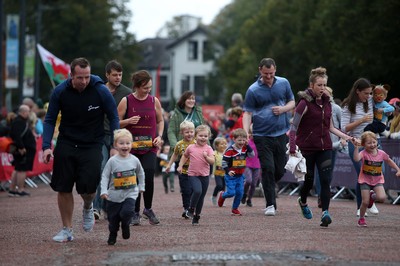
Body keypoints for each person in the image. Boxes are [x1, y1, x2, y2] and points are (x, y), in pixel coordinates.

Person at [42, 57, 119, 242]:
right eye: (80, 78)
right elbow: (50, 119)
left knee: (88, 188)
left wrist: (115, 145)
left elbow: (114, 117)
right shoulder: (60, 91)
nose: (84, 81)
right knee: (63, 187)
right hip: (67, 142)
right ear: (71, 76)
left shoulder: (101, 90)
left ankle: (87, 206)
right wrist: (46, 146)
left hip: (92, 144)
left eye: (87, 77)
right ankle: (67, 230)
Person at [288, 67, 357, 227]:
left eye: (324, 85)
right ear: (312, 85)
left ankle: (325, 212)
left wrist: (349, 138)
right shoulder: (303, 103)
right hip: (307, 148)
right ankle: (303, 201)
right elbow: (293, 128)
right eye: (319, 85)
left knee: (326, 180)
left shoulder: (328, 104)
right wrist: (292, 148)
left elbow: (332, 128)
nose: (322, 88)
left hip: (325, 147)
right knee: (309, 181)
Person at [243, 58, 295, 216]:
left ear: (275, 70)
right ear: (260, 70)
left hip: (281, 133)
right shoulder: (253, 90)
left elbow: (292, 102)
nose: (269, 77)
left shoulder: (283, 83)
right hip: (261, 135)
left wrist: (283, 109)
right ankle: (270, 204)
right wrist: (246, 132)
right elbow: (247, 113)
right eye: (266, 74)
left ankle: (267, 183)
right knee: (268, 168)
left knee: (280, 169)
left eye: (271, 73)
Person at [117, 70, 164, 225]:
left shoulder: (153, 101)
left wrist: (159, 136)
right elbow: (116, 122)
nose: (148, 90)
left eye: (149, 87)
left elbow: (160, 120)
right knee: (135, 178)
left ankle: (148, 209)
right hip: (132, 147)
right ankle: (135, 212)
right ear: (136, 86)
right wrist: (129, 121)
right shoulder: (127, 101)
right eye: (145, 88)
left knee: (149, 174)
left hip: (150, 146)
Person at [93, 60, 132, 220]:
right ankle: (96, 207)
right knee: (102, 169)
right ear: (107, 75)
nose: (118, 78)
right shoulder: (97, 90)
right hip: (100, 135)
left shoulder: (127, 93)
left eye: (120, 75)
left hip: (119, 137)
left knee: (116, 171)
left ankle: (111, 206)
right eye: (114, 75)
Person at [100, 129, 145, 245]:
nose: (125, 146)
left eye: (127, 143)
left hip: (130, 193)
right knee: (113, 219)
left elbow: (141, 173)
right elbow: (105, 176)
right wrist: (104, 190)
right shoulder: (112, 161)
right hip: (113, 196)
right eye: (121, 143)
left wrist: (141, 186)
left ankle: (125, 225)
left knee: (127, 212)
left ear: (132, 144)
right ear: (115, 145)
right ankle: (113, 233)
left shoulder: (135, 160)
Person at [341, 78, 378, 216]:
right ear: (357, 91)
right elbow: (344, 128)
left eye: (370, 93)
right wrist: (361, 120)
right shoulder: (348, 105)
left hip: (372, 142)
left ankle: (370, 201)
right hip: (356, 142)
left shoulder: (369, 101)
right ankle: (361, 206)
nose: (368, 96)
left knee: (379, 172)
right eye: (365, 93)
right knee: (362, 173)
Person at [353, 131, 400, 227]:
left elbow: (389, 161)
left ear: (377, 142)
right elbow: (356, 159)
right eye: (369, 143)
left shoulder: (381, 153)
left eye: (374, 142)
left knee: (382, 198)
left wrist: (398, 169)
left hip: (377, 180)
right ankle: (361, 219)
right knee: (365, 202)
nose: (372, 145)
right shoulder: (364, 153)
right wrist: (356, 148)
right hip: (365, 180)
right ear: (363, 144)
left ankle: (372, 197)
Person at [314, 87, 347, 208]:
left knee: (328, 172)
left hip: (333, 144)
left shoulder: (336, 108)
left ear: (331, 95)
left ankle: (324, 192)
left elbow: (341, 125)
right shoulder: (315, 106)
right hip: (319, 144)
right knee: (319, 172)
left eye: (326, 94)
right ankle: (320, 195)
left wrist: (343, 138)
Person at [177, 125, 214, 225]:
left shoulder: (209, 148)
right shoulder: (191, 147)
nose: (203, 138)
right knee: (197, 191)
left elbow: (212, 161)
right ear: (195, 136)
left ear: (208, 137)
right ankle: (191, 208)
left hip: (205, 176)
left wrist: (206, 157)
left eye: (205, 136)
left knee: (201, 197)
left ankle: (197, 216)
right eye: (200, 135)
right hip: (193, 174)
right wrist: (180, 165)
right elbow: (184, 156)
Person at [217, 128, 255, 216]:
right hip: (230, 176)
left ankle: (235, 208)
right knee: (231, 193)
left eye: (243, 140)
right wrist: (228, 171)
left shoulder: (245, 148)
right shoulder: (230, 150)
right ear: (234, 139)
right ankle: (222, 195)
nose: (241, 142)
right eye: (239, 140)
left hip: (240, 175)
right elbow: (224, 162)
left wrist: (248, 145)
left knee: (240, 193)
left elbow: (252, 155)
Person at [165, 120, 196, 218]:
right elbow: (175, 155)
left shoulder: (197, 143)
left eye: (191, 131)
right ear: (181, 133)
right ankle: (186, 208)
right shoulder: (179, 144)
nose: (189, 134)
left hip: (195, 172)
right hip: (183, 171)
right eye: (187, 132)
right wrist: (169, 165)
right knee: (185, 190)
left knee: (193, 190)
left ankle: (191, 207)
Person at [8, 104, 36, 197]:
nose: (29, 113)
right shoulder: (19, 122)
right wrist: (21, 147)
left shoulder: (19, 121)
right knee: (21, 170)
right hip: (23, 149)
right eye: (28, 111)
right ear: (23, 112)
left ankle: (12, 189)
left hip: (22, 148)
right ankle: (20, 190)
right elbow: (17, 136)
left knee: (17, 169)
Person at [168, 91, 203, 159]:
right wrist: (176, 147)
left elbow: (203, 130)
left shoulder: (198, 113)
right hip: (182, 150)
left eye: (193, 99)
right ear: (184, 100)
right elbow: (171, 131)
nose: (191, 101)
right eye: (189, 99)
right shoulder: (176, 114)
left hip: (197, 150)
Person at [241, 124, 261, 207]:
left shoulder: (260, 142)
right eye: (251, 134)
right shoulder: (247, 142)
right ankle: (244, 194)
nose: (253, 136)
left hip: (257, 165)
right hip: (247, 164)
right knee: (248, 180)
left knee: (253, 184)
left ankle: (249, 199)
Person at [210, 137, 228, 206]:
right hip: (217, 173)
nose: (224, 145)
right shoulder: (215, 153)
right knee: (219, 185)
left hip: (225, 173)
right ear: (217, 146)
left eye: (225, 144)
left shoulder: (227, 153)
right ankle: (214, 196)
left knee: (223, 188)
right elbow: (211, 160)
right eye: (222, 144)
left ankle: (221, 201)